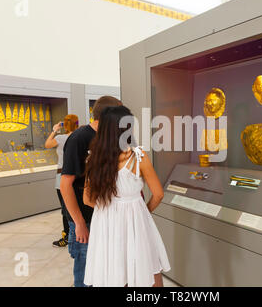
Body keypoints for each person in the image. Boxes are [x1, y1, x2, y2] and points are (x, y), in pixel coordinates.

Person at [83, 106, 170, 287]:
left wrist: (109, 209)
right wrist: (142, 211)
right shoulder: (138, 157)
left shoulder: (93, 159)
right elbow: (158, 194)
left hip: (105, 223)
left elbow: (87, 199)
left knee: (115, 270)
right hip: (135, 221)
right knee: (148, 268)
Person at [60, 96, 123, 287]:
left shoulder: (109, 139)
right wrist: (79, 223)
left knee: (101, 272)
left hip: (102, 216)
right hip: (84, 218)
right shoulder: (78, 138)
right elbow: (66, 184)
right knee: (85, 273)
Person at [45, 114, 79, 247]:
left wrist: (54, 130)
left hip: (62, 177)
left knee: (66, 209)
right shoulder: (78, 137)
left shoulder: (60, 138)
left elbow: (47, 144)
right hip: (77, 176)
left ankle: (67, 236)